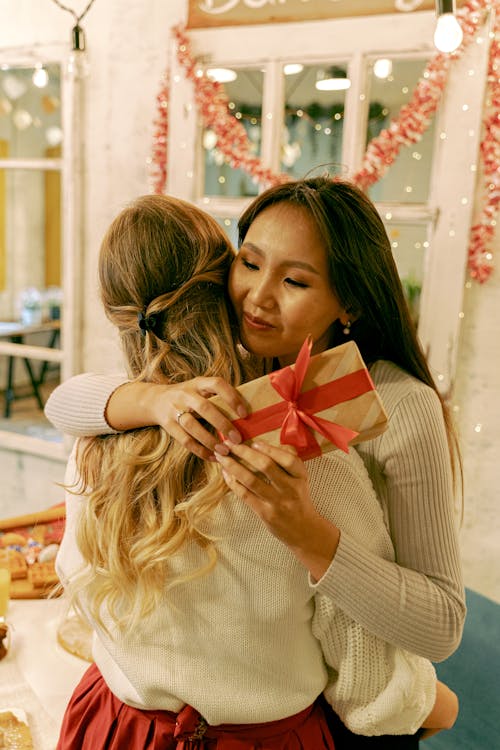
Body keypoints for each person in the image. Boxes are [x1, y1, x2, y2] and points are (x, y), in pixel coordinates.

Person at [47, 179, 465, 747]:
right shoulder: (229, 386)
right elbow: (65, 403)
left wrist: (309, 536)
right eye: (248, 263)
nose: (256, 298)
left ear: (352, 302)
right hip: (304, 687)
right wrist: (152, 400)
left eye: (294, 280)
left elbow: (438, 623)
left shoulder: (400, 404)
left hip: (355, 691)